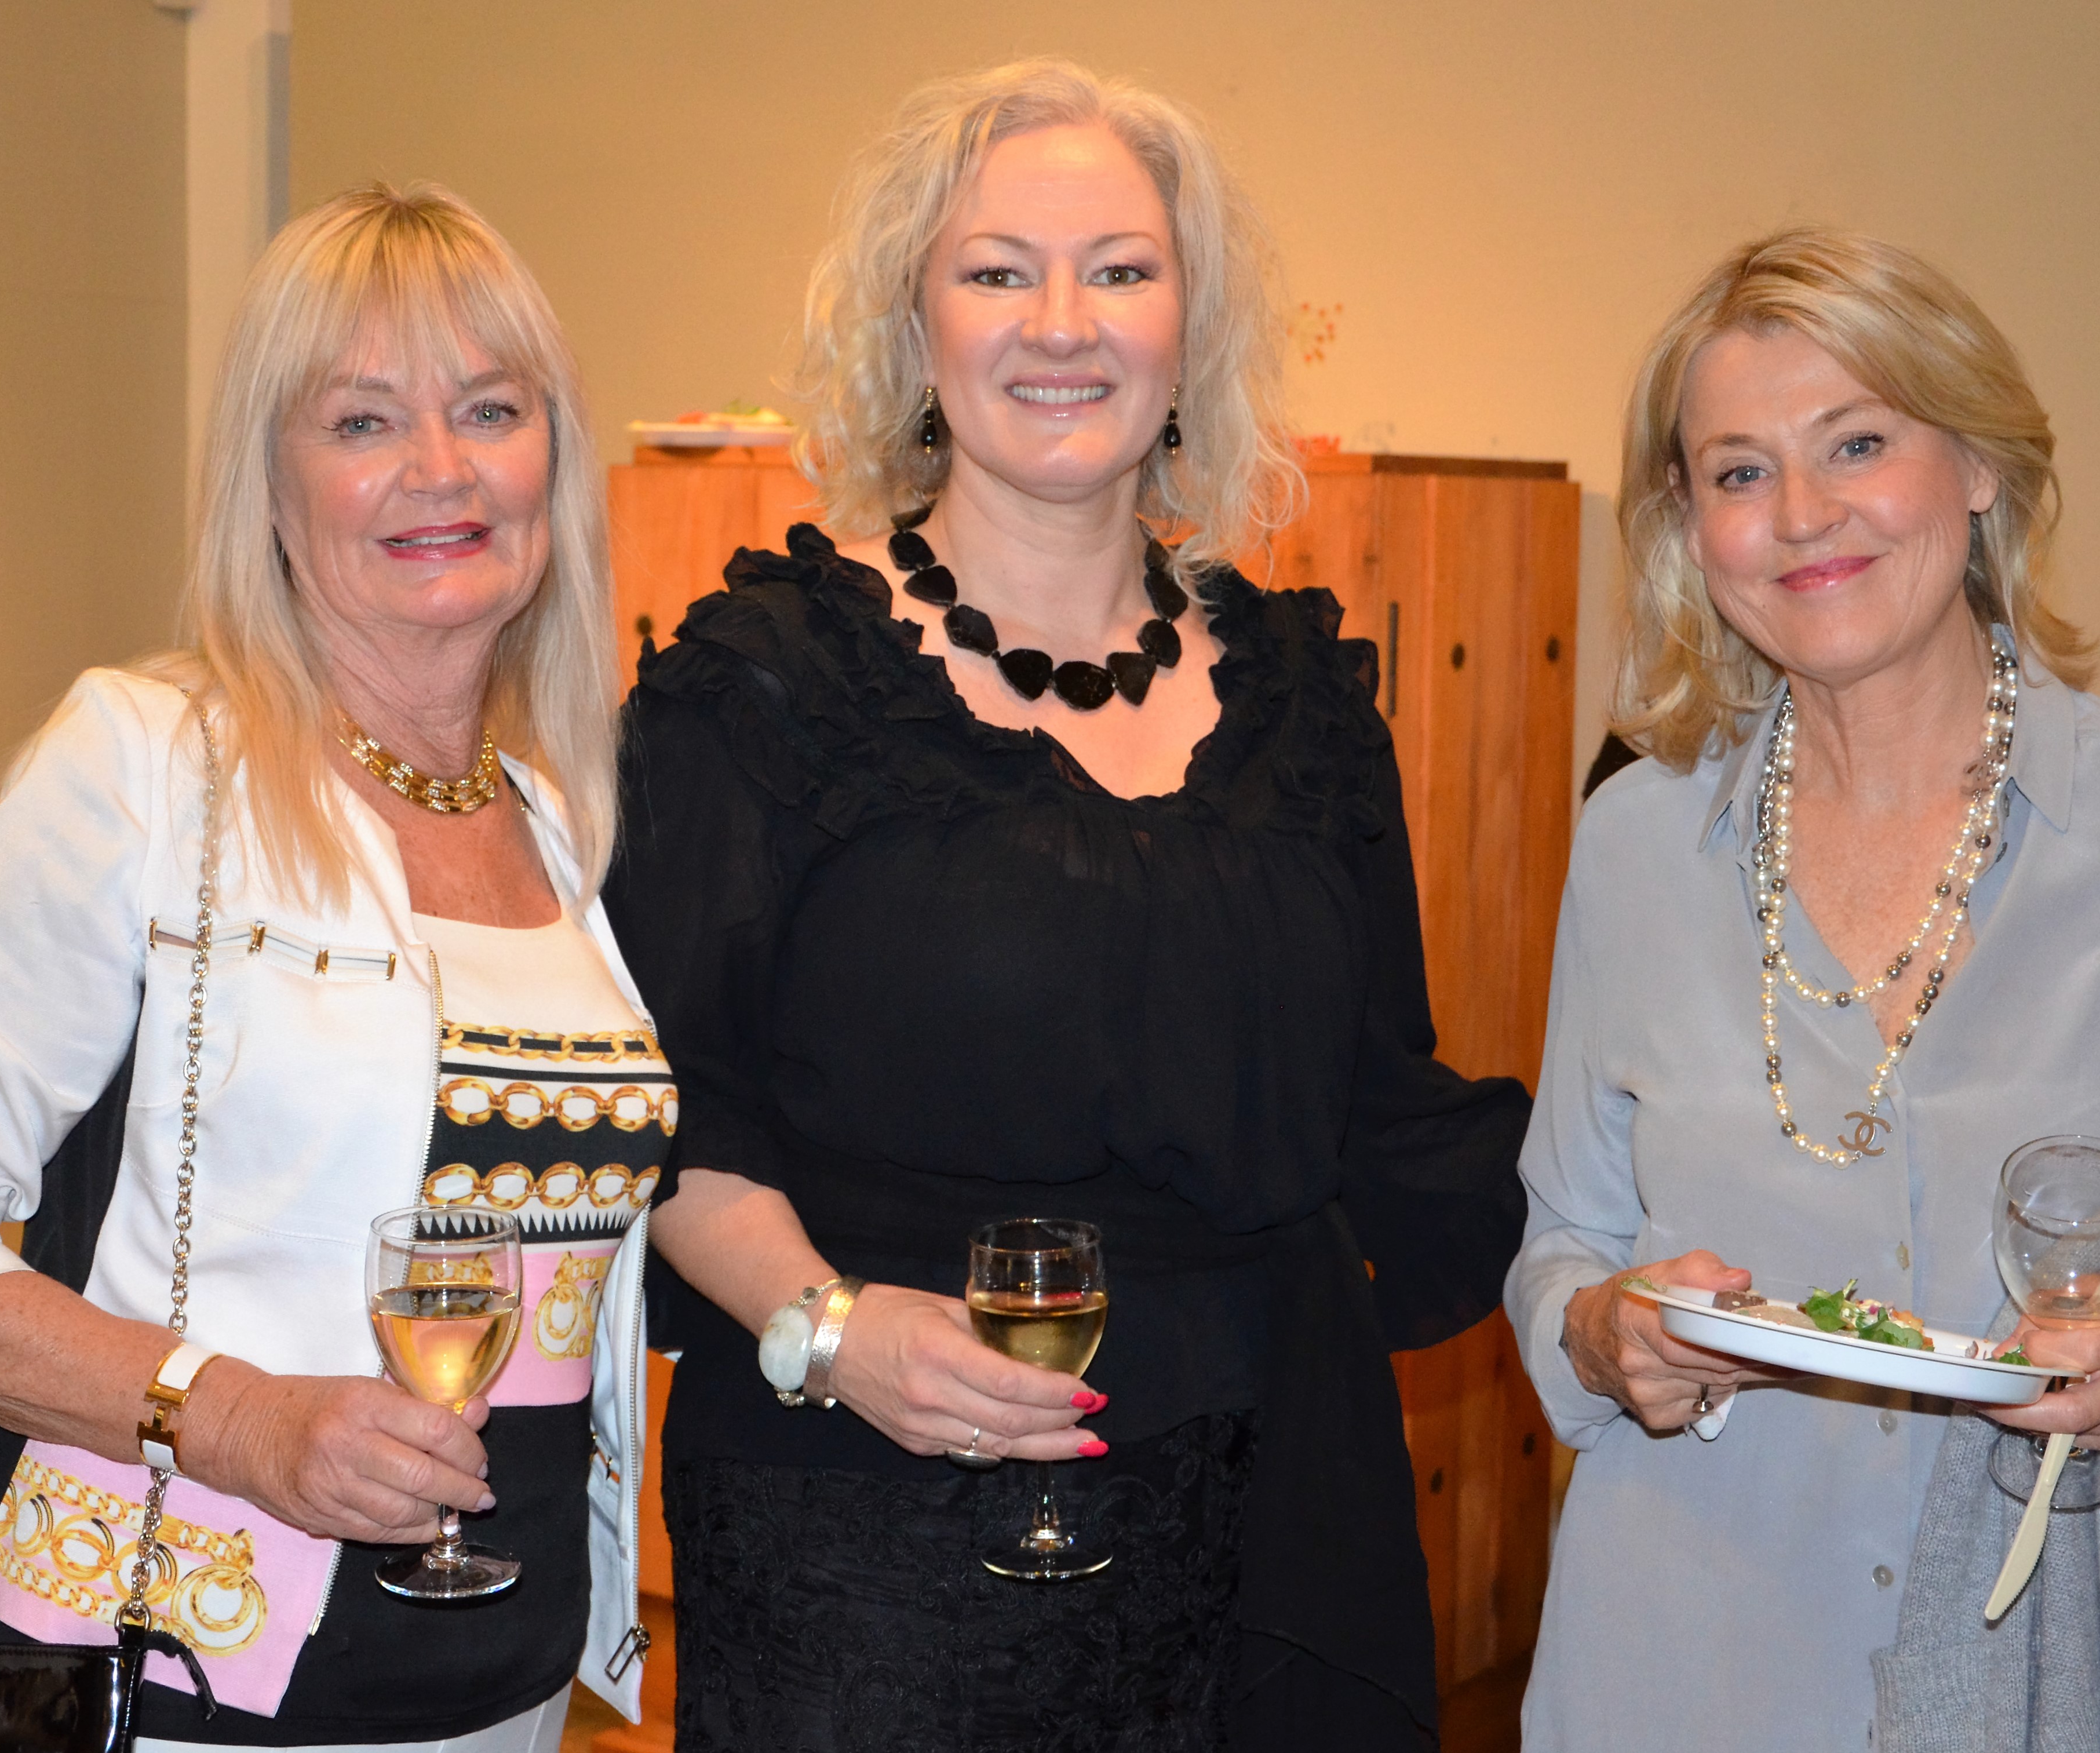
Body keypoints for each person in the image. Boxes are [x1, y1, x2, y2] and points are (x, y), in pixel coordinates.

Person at [604, 59, 1530, 1752]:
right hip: (873, 1540)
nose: (1061, 324)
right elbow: (666, 1106)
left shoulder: (1308, 705)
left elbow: (1390, 1116)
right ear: (917, 329)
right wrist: (830, 1329)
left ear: (1191, 327)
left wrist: (1636, 1270)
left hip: (1266, 1539)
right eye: (996, 271)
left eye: (1119, 269)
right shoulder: (768, 684)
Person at [1505, 228, 2100, 1750]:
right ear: (1690, 527)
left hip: (2063, 1677)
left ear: (1979, 465)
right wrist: (1603, 1331)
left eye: (1858, 443)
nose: (1802, 515)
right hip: (1679, 1672)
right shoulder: (1635, 840)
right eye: (1738, 471)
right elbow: (1563, 1240)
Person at [0, 183, 661, 1751]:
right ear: (270, 481)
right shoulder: (150, 765)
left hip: (511, 1669)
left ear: (555, 458)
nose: (441, 467)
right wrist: (245, 1420)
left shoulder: (560, 817)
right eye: (362, 421)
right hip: (189, 1670)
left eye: (491, 408)